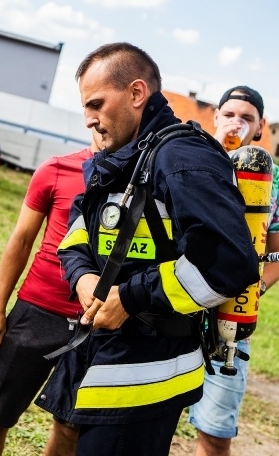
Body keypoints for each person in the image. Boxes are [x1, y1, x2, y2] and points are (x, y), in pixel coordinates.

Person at [35, 43, 259, 456]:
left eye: (97, 104)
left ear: (137, 93)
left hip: (144, 376)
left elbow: (230, 263)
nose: (90, 119)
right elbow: (78, 230)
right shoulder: (119, 156)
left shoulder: (183, 158)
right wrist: (84, 277)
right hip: (96, 349)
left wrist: (130, 296)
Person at [0, 130, 103, 456]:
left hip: (96, 323)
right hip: (38, 311)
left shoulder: (139, 183)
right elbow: (22, 240)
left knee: (69, 427)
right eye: (92, 109)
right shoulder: (56, 169)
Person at [188, 86, 279, 456]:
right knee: (153, 421)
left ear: (261, 126)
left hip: (232, 319)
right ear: (215, 117)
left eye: (247, 118)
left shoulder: (276, 181)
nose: (237, 123)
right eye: (230, 114)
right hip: (177, 311)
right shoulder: (189, 159)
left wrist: (253, 288)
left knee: (216, 435)